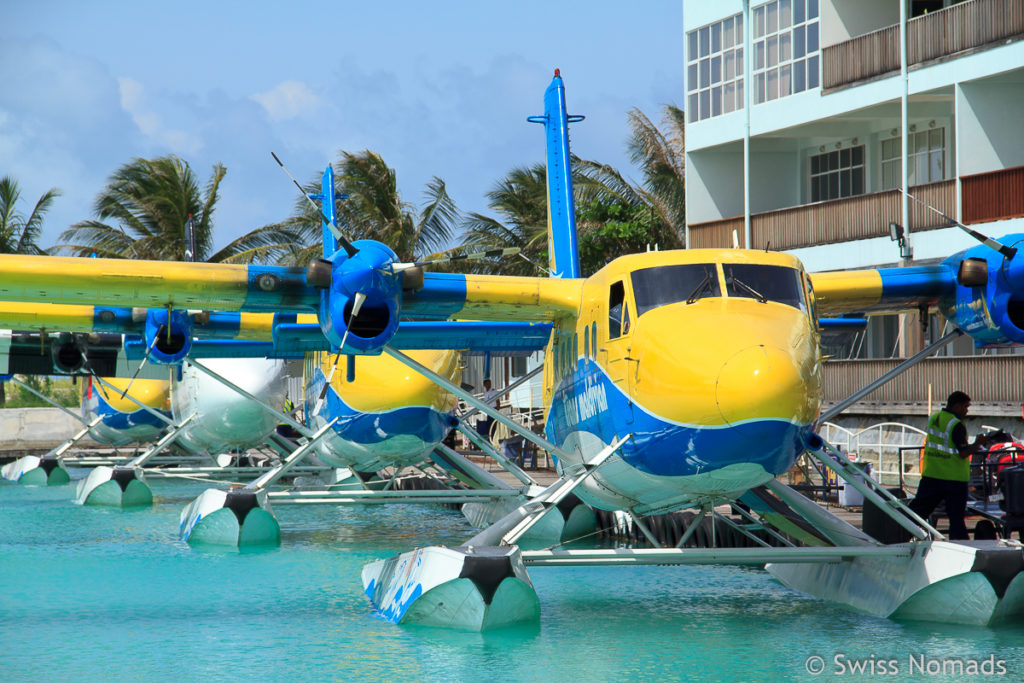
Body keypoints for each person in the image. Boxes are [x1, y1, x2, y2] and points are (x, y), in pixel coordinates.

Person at [908, 391, 993, 540]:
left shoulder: (934, 418)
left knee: (917, 512)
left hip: (931, 474)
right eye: (965, 407)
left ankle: (901, 537)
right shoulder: (956, 425)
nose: (966, 411)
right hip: (953, 479)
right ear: (957, 405)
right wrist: (978, 444)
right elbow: (963, 452)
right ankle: (960, 546)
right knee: (956, 518)